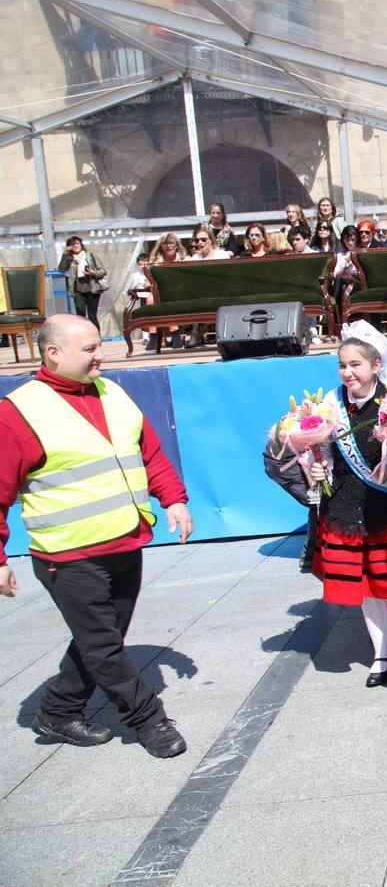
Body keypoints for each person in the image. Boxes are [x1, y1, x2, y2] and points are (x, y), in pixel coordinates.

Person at [0, 314, 193, 757]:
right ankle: (150, 720)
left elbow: (150, 453)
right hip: (67, 555)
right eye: (88, 349)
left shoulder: (113, 392)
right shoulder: (18, 413)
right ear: (54, 353)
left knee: (99, 641)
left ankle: (59, 710)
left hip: (124, 542)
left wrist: (174, 500)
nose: (99, 355)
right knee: (103, 647)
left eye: (97, 346)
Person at [309, 321, 387, 687]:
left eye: (356, 365)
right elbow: (321, 450)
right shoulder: (331, 404)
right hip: (344, 506)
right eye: (342, 365)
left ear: (375, 365)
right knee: (366, 588)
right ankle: (382, 652)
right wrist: (316, 466)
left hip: (385, 508)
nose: (348, 372)